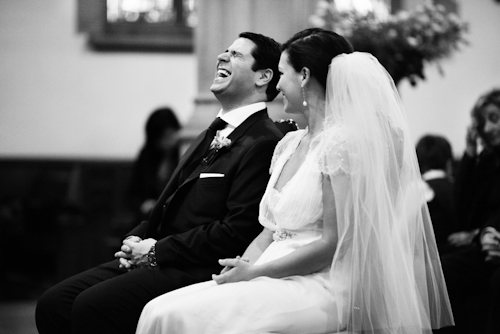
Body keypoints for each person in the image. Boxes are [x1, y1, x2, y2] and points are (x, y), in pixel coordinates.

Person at [135, 28, 454, 334]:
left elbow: (331, 243)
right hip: (270, 272)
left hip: (320, 282)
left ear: (303, 76)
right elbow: (267, 233)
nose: (278, 85)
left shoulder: (340, 144)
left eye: (283, 73)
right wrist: (238, 269)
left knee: (178, 318)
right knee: (158, 309)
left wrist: (257, 272)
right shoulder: (288, 145)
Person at [35, 31, 283, 334]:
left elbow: (237, 231)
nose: (221, 56)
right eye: (225, 51)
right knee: (54, 303)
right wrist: (135, 240)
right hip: (159, 255)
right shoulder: (212, 133)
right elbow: (168, 204)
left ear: (263, 76)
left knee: (92, 305)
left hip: (197, 266)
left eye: (236, 55)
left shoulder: (263, 141)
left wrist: (156, 252)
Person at [438, 88, 500, 334]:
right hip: (485, 246)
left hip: (490, 243)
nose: (488, 128)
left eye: (494, 118)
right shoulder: (487, 163)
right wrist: (469, 153)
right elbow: (462, 213)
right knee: (441, 269)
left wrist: (482, 232)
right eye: (483, 122)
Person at [128, 107, 181, 222]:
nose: (168, 141)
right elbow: (133, 192)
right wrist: (143, 204)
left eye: (170, 134)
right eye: (163, 137)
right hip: (150, 216)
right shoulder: (147, 155)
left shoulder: (182, 152)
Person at [416, 134, 456, 254]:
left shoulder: (418, 188)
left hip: (429, 260)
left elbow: (401, 234)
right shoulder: (458, 187)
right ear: (448, 161)